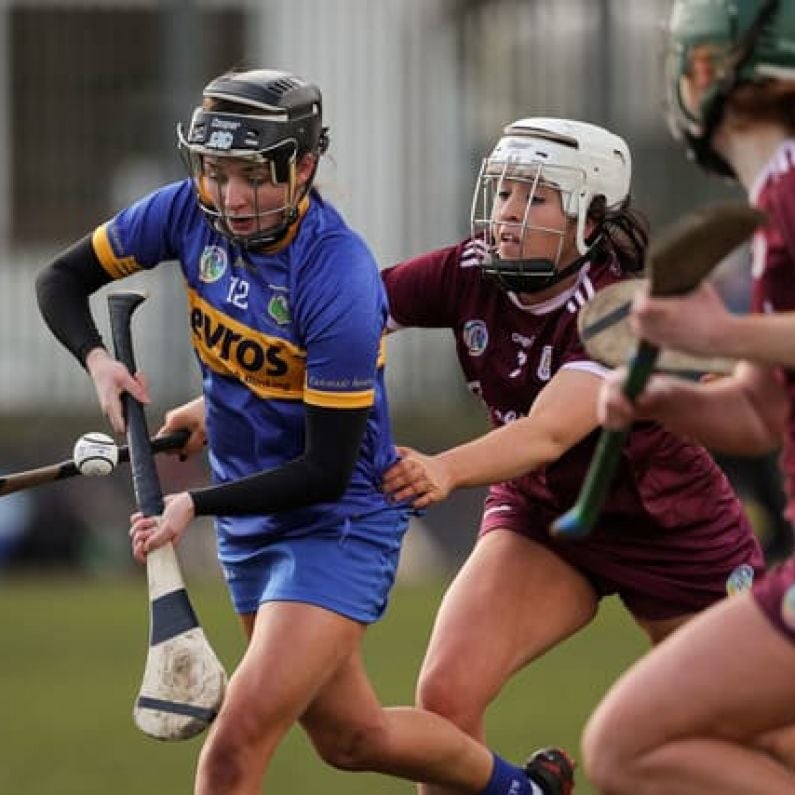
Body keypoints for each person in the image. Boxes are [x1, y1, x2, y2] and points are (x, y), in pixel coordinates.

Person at [34, 69, 569, 795]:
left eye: (253, 176)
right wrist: (100, 363)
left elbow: (323, 466)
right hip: (251, 525)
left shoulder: (337, 276)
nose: (230, 196)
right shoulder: (187, 213)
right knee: (352, 738)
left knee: (233, 746)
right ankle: (524, 789)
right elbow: (60, 279)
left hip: (335, 522)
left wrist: (194, 503)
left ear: (304, 165)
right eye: (216, 172)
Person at [379, 116, 765, 795]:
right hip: (546, 517)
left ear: (588, 216)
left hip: (669, 528)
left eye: (534, 197)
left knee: (744, 733)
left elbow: (545, 433)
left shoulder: (607, 308)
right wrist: (228, 400)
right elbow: (346, 319)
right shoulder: (467, 271)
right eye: (503, 192)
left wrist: (443, 467)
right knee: (444, 694)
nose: (506, 213)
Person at [580, 1, 795, 793]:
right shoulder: (770, 204)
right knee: (761, 738)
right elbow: (760, 415)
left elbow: (748, 349)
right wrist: (663, 400)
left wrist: (721, 332)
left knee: (631, 745)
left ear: (704, 70)